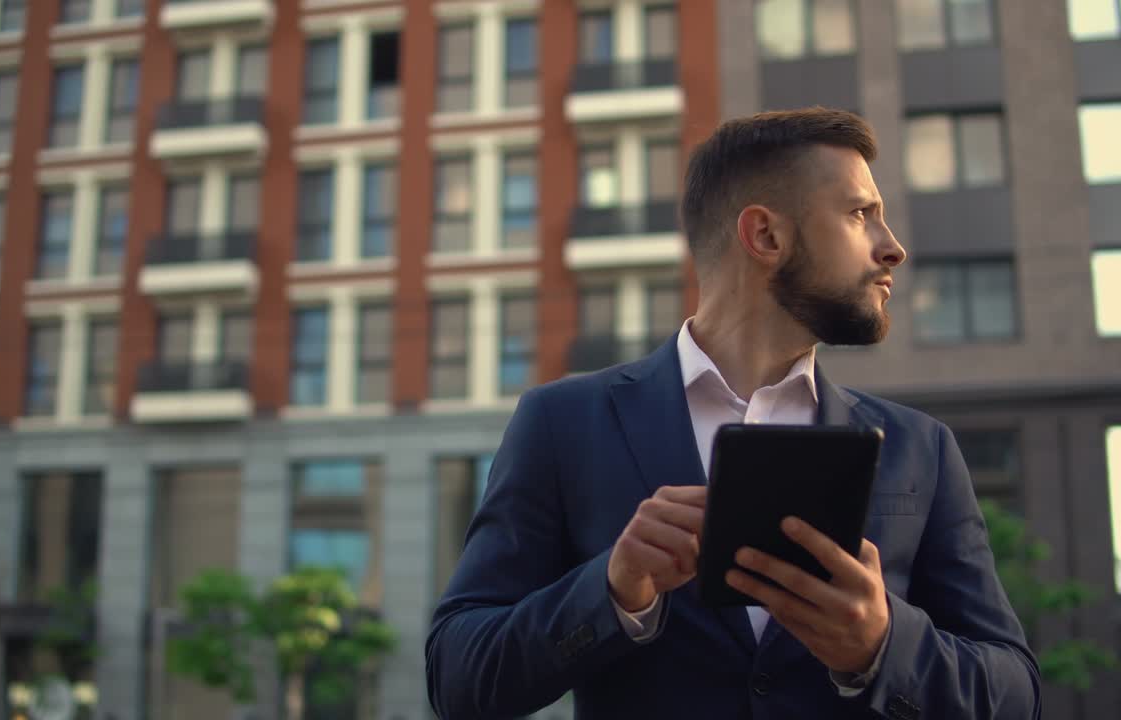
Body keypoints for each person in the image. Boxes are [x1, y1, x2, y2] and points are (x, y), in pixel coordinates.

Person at [425, 108, 1042, 720]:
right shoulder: (562, 423)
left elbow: (1018, 696)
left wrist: (881, 646)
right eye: (861, 214)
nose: (894, 248)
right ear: (766, 236)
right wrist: (612, 591)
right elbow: (457, 677)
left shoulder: (922, 447)